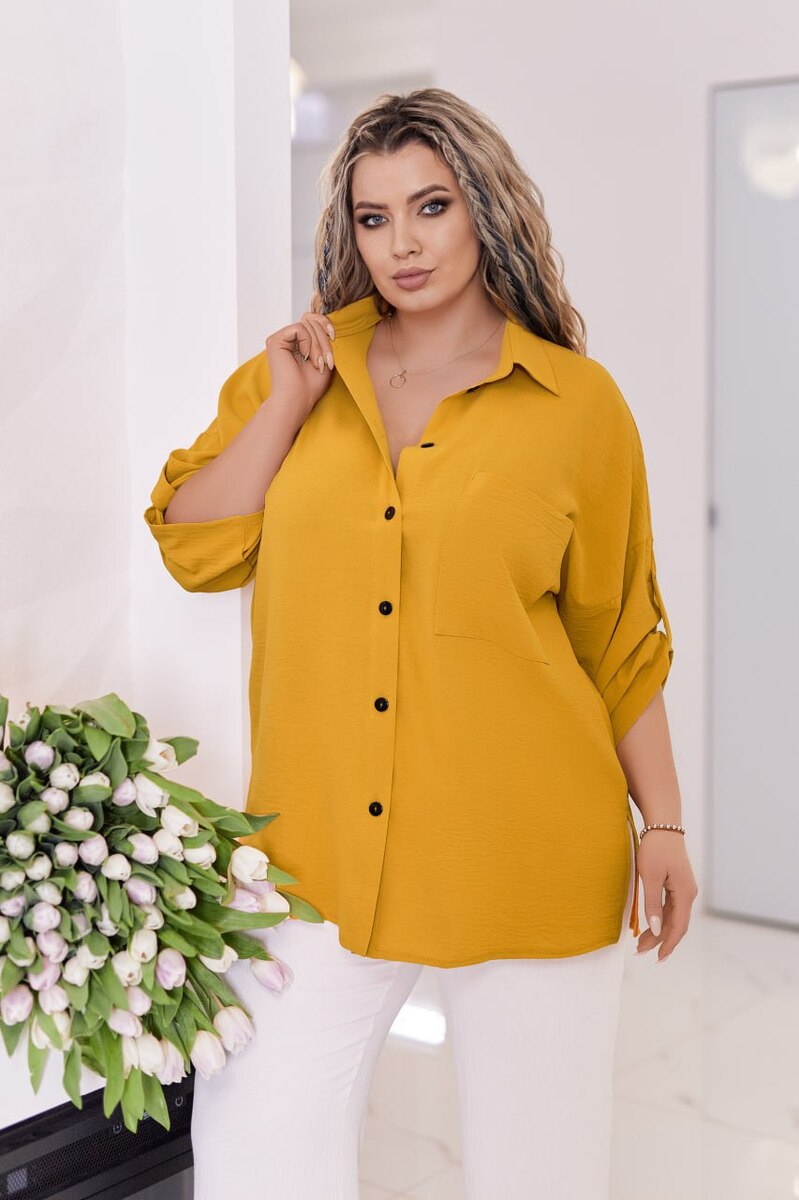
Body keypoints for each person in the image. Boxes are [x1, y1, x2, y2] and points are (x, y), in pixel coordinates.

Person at [144, 87, 699, 1200]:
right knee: (254, 1152)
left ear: (484, 208)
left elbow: (617, 636)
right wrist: (286, 404)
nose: (401, 242)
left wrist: (666, 825)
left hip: (528, 847)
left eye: (430, 206)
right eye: (373, 217)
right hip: (315, 857)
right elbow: (194, 547)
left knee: (538, 1178)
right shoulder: (297, 373)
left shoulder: (577, 406)